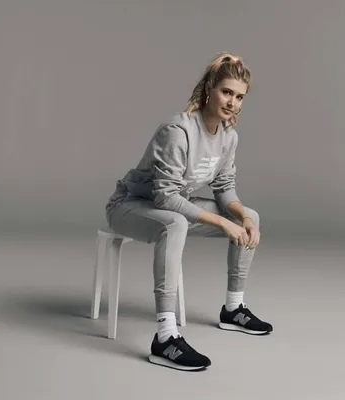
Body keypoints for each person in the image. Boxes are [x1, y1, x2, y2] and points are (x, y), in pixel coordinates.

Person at [105, 52, 273, 371]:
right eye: (226, 92)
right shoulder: (178, 130)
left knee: (249, 217)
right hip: (129, 205)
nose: (232, 102)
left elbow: (224, 188)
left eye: (240, 97)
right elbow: (166, 197)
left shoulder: (229, 137)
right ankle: (165, 338)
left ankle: (233, 309)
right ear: (210, 88)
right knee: (175, 225)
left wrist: (242, 218)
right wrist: (222, 223)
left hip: (171, 206)